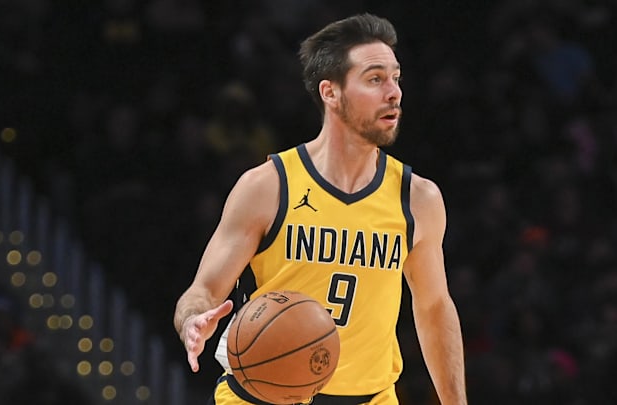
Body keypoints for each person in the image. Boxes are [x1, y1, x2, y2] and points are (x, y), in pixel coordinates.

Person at [173, 13, 468, 405]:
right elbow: (204, 290)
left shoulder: (418, 198)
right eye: (375, 79)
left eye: (396, 78)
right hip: (262, 396)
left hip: (370, 397)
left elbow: (433, 307)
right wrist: (193, 320)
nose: (394, 92)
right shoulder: (268, 185)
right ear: (331, 92)